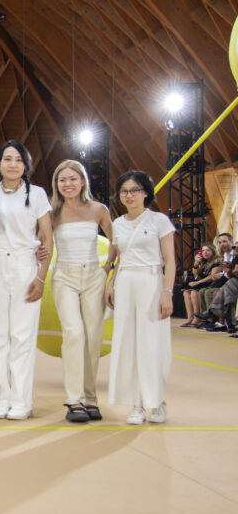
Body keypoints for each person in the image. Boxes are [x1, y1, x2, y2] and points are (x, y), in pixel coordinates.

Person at [0, 140, 53, 421]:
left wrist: (41, 277)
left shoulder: (37, 194)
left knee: (22, 336)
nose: (13, 164)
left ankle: (21, 400)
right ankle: (2, 398)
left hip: (24, 265)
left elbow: (47, 238)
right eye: (7, 159)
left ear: (26, 165)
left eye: (19, 160)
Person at [106, 170, 176, 424]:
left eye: (134, 190)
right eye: (124, 191)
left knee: (153, 344)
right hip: (125, 283)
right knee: (128, 344)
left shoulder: (159, 221)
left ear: (145, 192)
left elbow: (170, 260)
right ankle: (136, 404)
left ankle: (157, 401)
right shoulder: (117, 224)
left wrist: (167, 293)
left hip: (151, 282)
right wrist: (111, 283)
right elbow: (118, 259)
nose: (129, 195)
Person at [49, 160, 115, 423]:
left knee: (93, 337)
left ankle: (90, 399)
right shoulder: (52, 212)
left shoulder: (98, 209)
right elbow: (40, 242)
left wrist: (108, 268)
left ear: (83, 181)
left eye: (73, 179)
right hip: (64, 275)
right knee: (74, 333)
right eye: (62, 180)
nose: (68, 184)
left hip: (93, 276)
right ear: (57, 184)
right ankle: (74, 399)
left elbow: (116, 240)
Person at [180, 245, 219, 327]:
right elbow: (195, 273)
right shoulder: (204, 262)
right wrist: (196, 262)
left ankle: (197, 317)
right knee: (186, 292)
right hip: (202, 282)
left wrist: (198, 282)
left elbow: (212, 276)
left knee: (194, 292)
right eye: (203, 251)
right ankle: (190, 317)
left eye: (208, 250)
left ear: (213, 251)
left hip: (212, 283)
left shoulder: (217, 261)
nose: (205, 252)